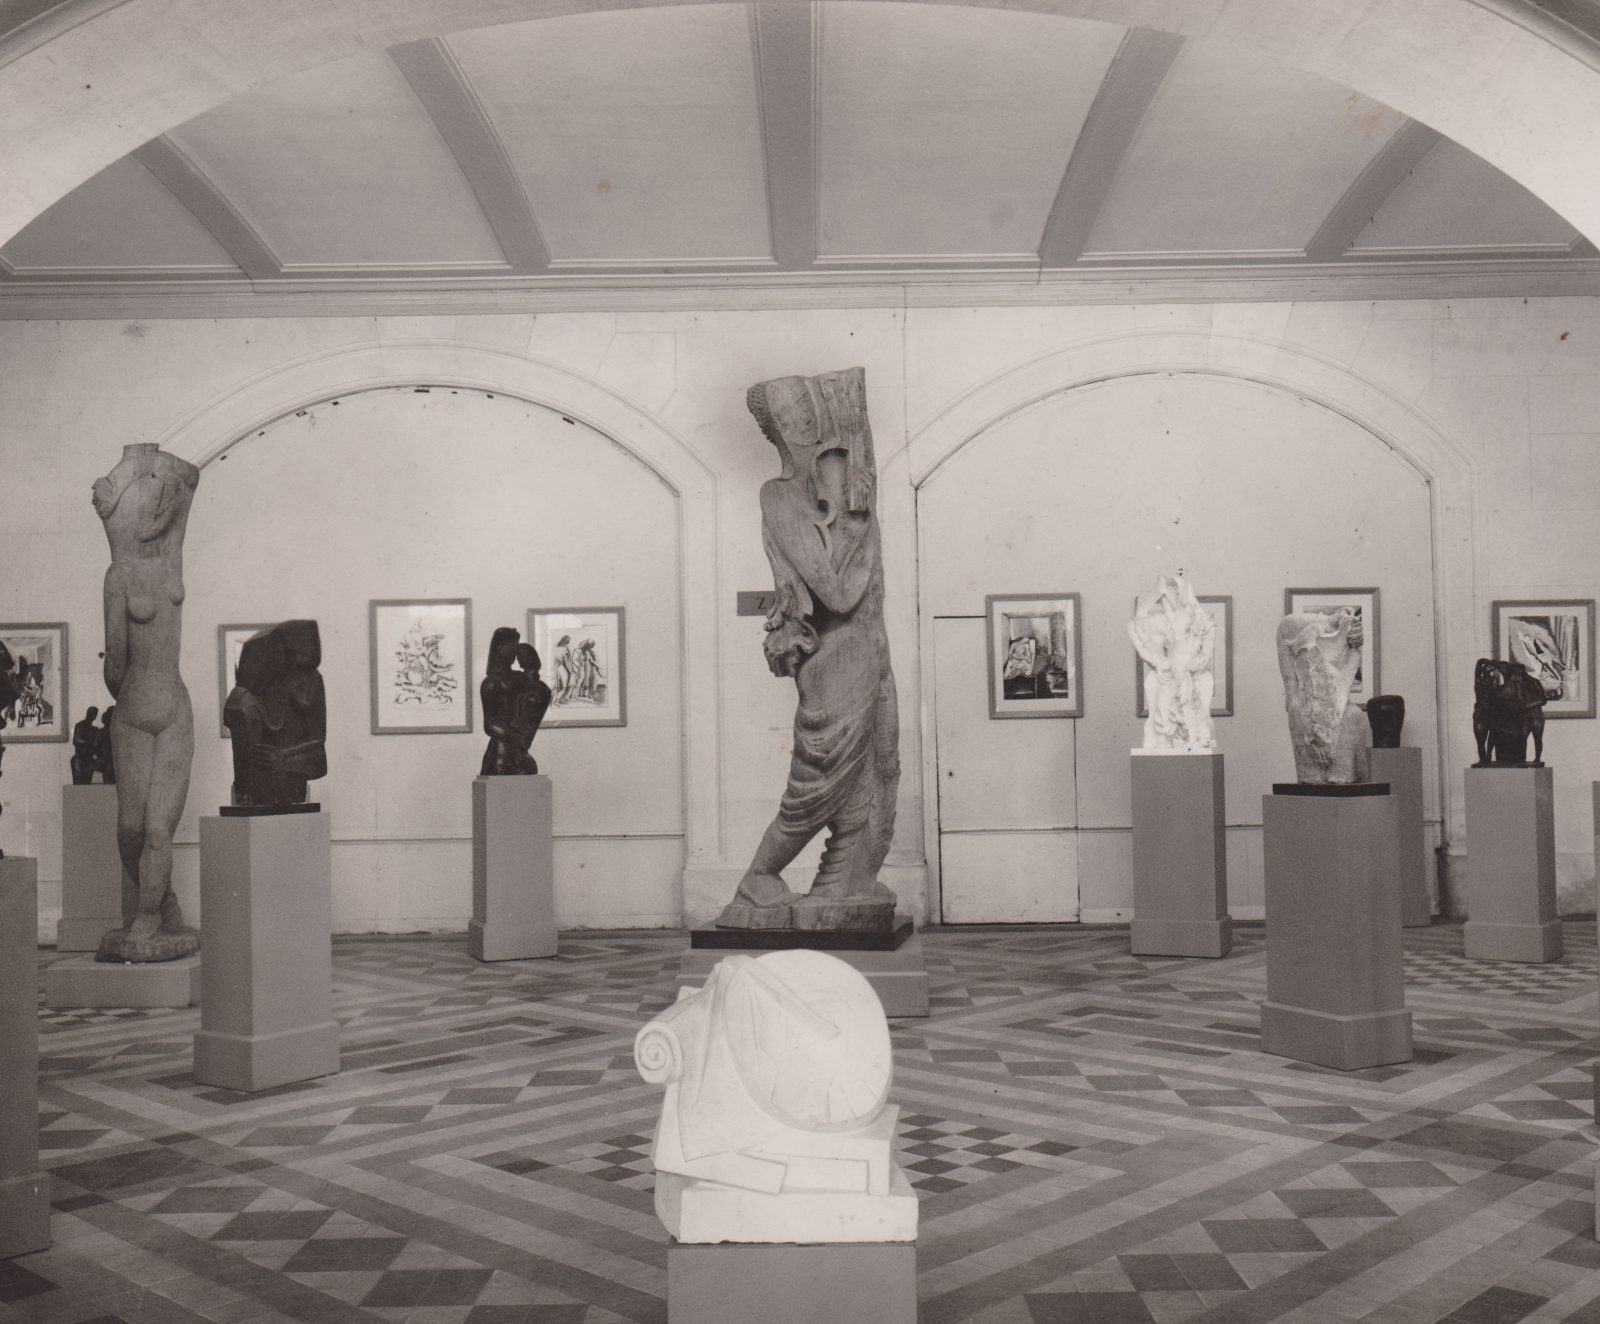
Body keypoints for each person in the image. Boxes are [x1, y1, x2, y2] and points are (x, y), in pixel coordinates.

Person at [718, 368, 900, 931]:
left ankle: (842, 881)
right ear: (773, 427)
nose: (801, 421)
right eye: (788, 414)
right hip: (834, 657)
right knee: (818, 783)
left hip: (866, 649)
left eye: (805, 409)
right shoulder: (779, 496)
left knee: (876, 771)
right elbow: (838, 593)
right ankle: (759, 876)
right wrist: (856, 527)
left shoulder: (834, 490)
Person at [92, 443, 200, 961]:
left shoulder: (170, 559)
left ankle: (149, 918)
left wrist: (146, 468)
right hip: (134, 713)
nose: (158, 508)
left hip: (173, 711)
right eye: (148, 498)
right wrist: (134, 696)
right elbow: (114, 665)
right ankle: (165, 901)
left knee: (157, 830)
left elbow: (188, 479)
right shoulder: (119, 574)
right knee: (130, 830)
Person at [71, 705, 101, 784]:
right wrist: (88, 744)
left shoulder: (95, 729)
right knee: (79, 782)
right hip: (80, 757)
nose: (93, 715)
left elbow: (95, 745)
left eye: (95, 714)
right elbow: (76, 741)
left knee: (87, 782)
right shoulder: (79, 725)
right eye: (92, 713)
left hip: (89, 758)